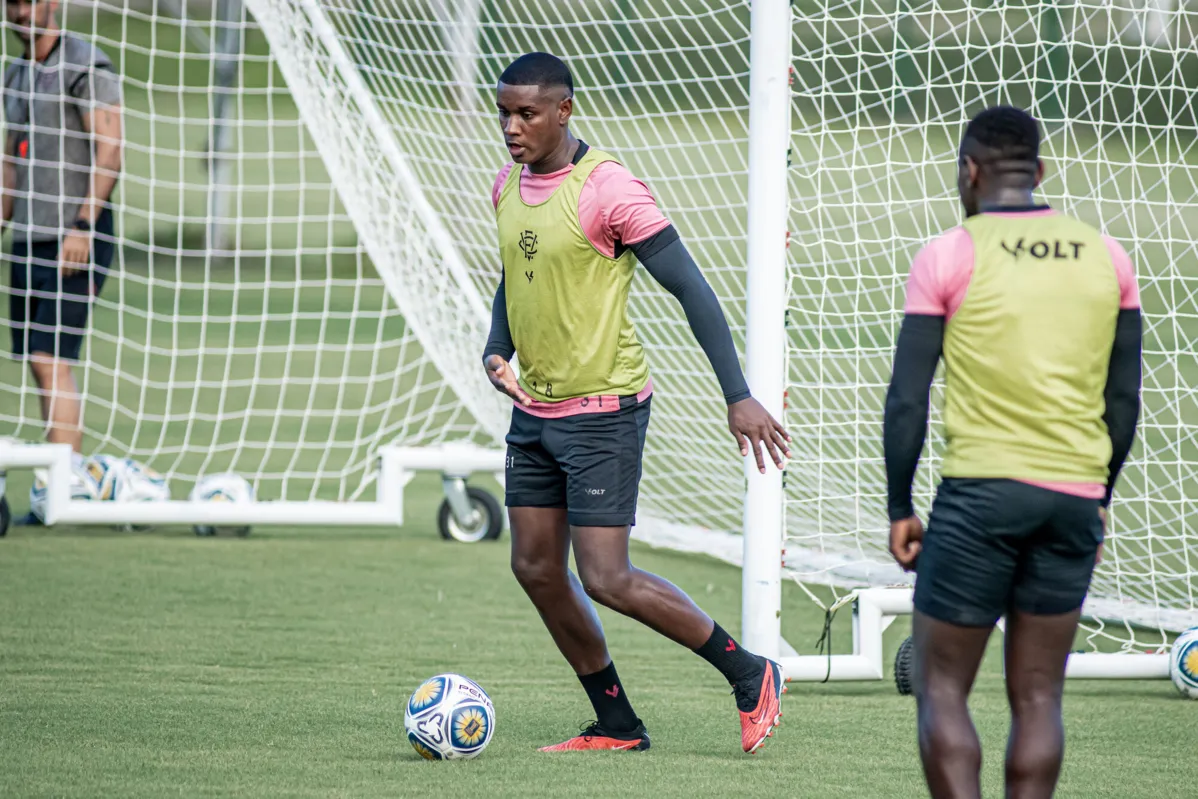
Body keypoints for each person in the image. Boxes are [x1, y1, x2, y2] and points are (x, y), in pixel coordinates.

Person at [483, 52, 790, 754]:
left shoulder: (610, 189)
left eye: (526, 113)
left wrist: (737, 395)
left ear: (564, 110)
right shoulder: (505, 182)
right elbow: (515, 272)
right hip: (535, 411)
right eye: (503, 112)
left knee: (605, 574)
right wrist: (496, 348)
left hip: (604, 411)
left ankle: (751, 672)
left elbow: (693, 289)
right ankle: (616, 723)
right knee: (533, 567)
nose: (511, 126)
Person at [884, 105, 1141, 798]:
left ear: (968, 171)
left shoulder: (950, 252)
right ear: (1041, 171)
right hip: (1075, 500)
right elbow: (1124, 404)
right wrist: (1100, 494)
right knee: (1038, 698)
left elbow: (907, 398)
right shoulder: (1107, 254)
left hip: (981, 496)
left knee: (941, 687)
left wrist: (900, 506)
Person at [2, 0, 122, 463]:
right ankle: (58, 478)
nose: (20, 12)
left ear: (53, 4)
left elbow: (111, 150)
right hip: (30, 237)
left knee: (51, 358)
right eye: (12, 3)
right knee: (37, 360)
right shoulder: (15, 74)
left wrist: (84, 224)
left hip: (77, 235)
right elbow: (11, 162)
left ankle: (65, 484)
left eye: (30, 2)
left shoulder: (85, 64)